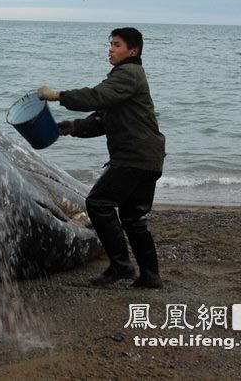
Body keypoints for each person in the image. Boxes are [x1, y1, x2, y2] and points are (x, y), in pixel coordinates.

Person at [37, 27, 165, 288]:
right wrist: (72, 127)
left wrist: (59, 96)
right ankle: (150, 277)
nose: (111, 49)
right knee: (133, 218)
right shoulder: (127, 79)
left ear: (133, 51)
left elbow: (96, 97)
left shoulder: (128, 74)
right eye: (111, 44)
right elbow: (102, 120)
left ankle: (121, 267)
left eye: (117, 45)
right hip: (147, 158)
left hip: (133, 157)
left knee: (98, 203)